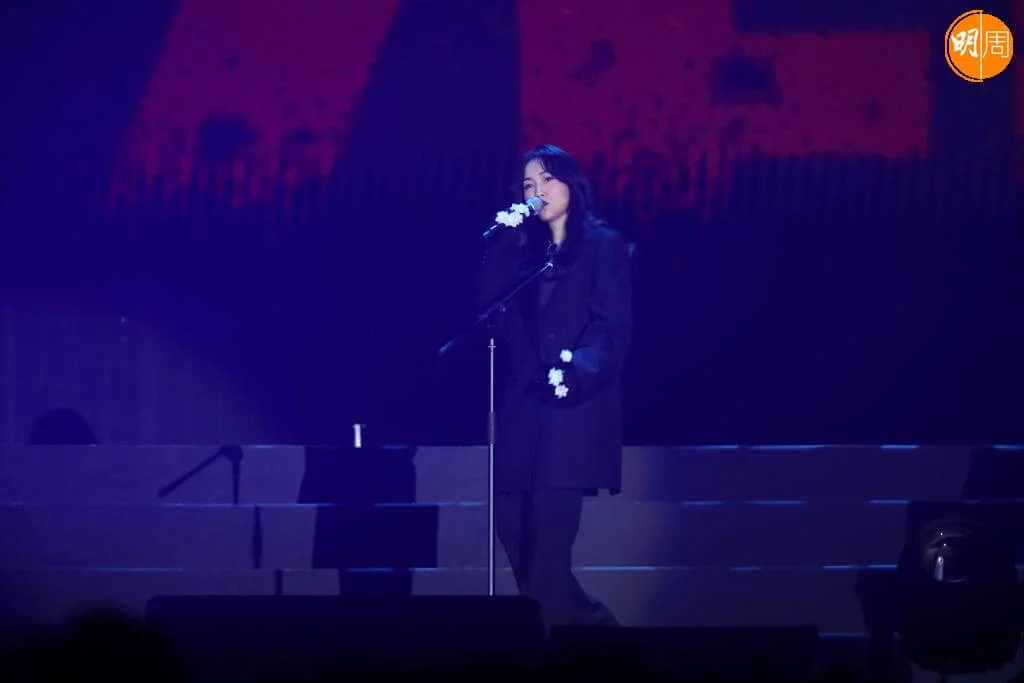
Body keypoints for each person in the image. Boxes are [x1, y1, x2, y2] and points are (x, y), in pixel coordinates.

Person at [477, 144, 632, 630]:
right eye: (528, 184)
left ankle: (550, 642)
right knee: (512, 529)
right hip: (523, 410)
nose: (537, 191)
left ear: (571, 184)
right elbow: (489, 313)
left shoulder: (601, 245)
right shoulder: (524, 254)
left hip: (570, 410)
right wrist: (502, 243)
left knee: (548, 546)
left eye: (546, 179)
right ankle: (588, 629)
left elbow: (612, 328)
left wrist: (578, 369)